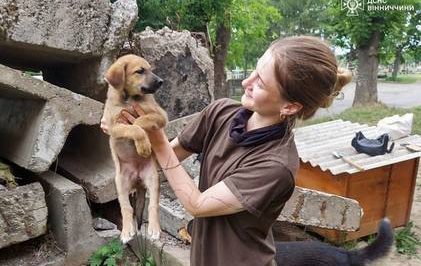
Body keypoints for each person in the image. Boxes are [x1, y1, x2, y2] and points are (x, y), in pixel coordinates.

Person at [100, 36, 351, 266]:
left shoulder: (275, 166)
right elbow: (166, 158)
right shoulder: (221, 113)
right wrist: (124, 130)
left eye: (260, 83)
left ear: (289, 106)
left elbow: (197, 204)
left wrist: (157, 138)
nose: (246, 82)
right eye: (254, 71)